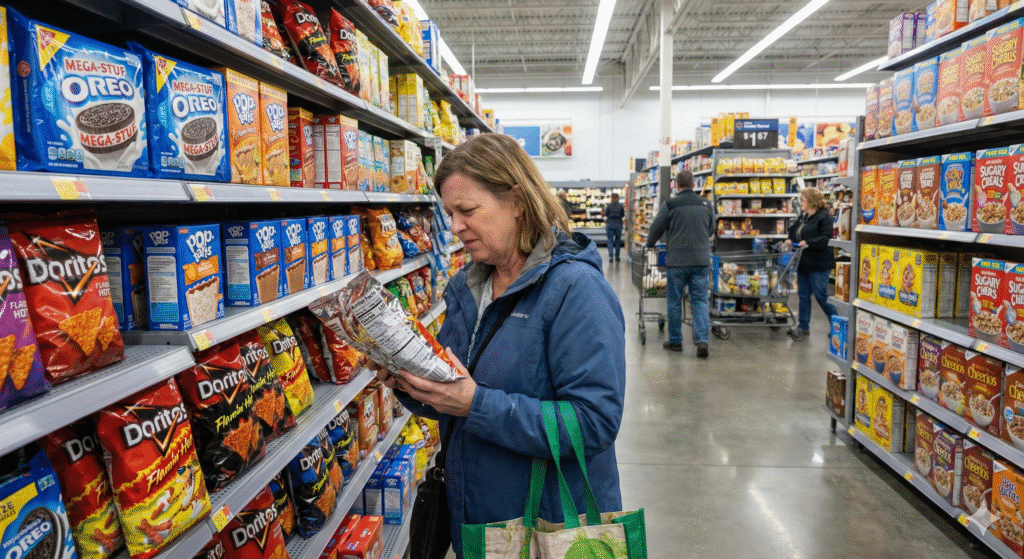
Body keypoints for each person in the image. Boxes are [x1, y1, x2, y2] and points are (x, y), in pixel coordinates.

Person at [373, 134, 626, 558]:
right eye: (450, 213)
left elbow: (594, 421)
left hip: (547, 528)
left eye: (467, 211)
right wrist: (407, 379)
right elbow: (451, 395)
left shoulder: (576, 290)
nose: (454, 226)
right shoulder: (468, 285)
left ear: (518, 199)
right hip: (477, 523)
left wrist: (476, 404)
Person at [646, 170, 713, 357]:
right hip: (700, 260)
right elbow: (711, 229)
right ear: (693, 184)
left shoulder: (671, 204)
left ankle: (676, 341)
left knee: (674, 300)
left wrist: (650, 243)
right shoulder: (706, 204)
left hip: (677, 261)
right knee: (700, 300)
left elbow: (656, 228)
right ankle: (702, 341)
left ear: (676, 185)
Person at [784, 186, 837, 337]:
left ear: (811, 201)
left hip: (819, 263)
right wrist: (791, 239)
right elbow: (794, 230)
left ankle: (838, 325)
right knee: (804, 295)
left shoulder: (824, 217)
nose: (801, 202)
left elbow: (826, 238)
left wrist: (808, 242)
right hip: (804, 262)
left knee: (820, 295)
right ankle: (803, 326)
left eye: (803, 200)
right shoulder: (804, 216)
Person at [603, 192, 625, 262]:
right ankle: (617, 257)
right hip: (618, 225)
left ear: (611, 198)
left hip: (610, 224)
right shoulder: (620, 206)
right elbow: (622, 215)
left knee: (610, 241)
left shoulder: (609, 206)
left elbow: (605, 214)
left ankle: (611, 257)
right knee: (618, 241)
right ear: (618, 198)